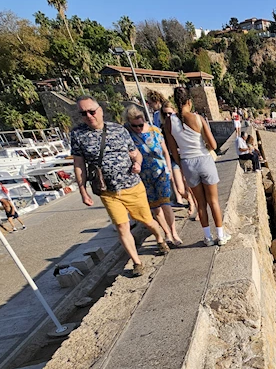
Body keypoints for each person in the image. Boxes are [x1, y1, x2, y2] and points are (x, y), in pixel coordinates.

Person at [71, 96, 168, 278]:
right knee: (122, 228)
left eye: (91, 111)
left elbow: (135, 154)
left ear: (100, 110)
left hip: (131, 185)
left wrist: (137, 164)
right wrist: (83, 191)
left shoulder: (118, 130)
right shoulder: (78, 135)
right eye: (83, 113)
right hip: (108, 191)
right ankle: (137, 262)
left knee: (147, 220)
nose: (88, 116)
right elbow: (79, 165)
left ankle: (160, 238)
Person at [163, 87, 230, 247]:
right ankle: (220, 236)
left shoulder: (168, 122)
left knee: (201, 203)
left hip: (187, 163)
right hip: (204, 160)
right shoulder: (197, 118)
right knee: (213, 201)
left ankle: (207, 238)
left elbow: (173, 150)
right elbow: (213, 145)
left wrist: (183, 165)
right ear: (189, 102)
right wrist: (203, 146)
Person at [125, 105, 182, 246]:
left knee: (165, 204)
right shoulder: (128, 135)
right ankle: (167, 234)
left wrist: (169, 169)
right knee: (156, 208)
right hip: (144, 176)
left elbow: (164, 152)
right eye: (134, 126)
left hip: (160, 171)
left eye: (140, 124)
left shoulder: (155, 131)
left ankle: (174, 232)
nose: (138, 128)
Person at [161, 102, 197, 219]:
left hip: (185, 157)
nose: (167, 116)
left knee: (190, 185)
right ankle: (191, 200)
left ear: (175, 111)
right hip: (174, 159)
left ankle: (197, 207)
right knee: (181, 190)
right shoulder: (164, 128)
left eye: (169, 113)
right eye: (165, 114)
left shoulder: (181, 125)